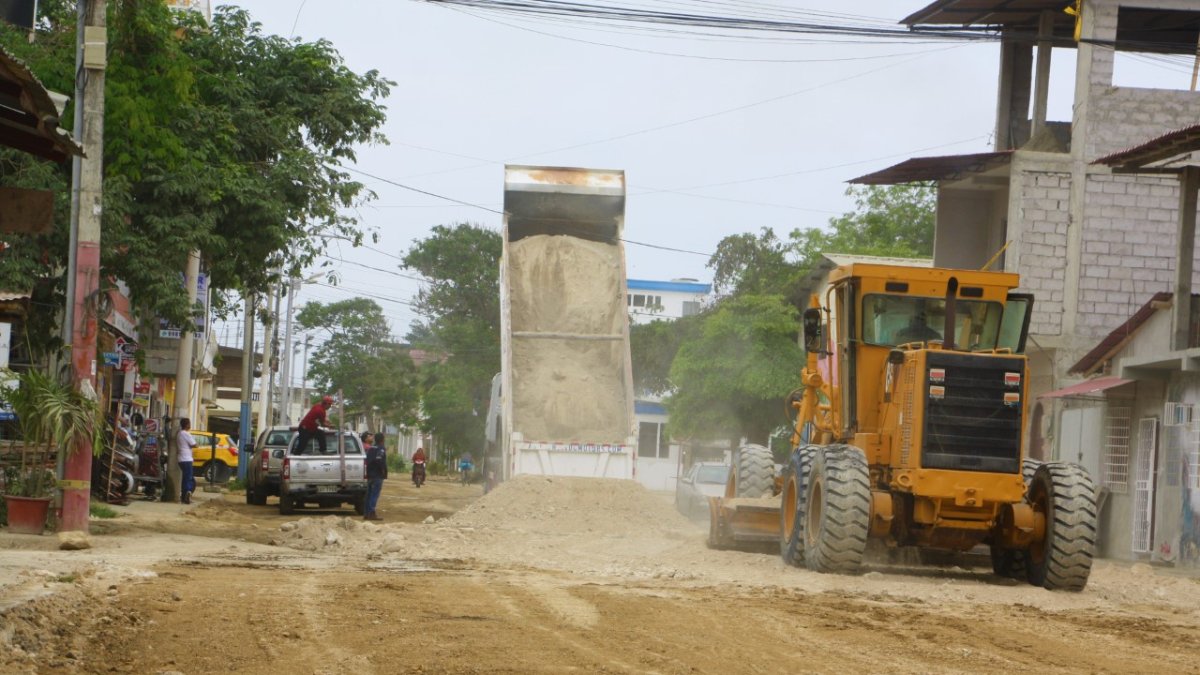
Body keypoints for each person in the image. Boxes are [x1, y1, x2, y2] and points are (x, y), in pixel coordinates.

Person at [364, 432, 387, 521]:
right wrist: (382, 470)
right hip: (377, 475)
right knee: (374, 495)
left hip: (370, 474)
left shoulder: (371, 448)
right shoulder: (381, 449)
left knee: (369, 494)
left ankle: (366, 513)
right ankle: (371, 513)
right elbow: (379, 459)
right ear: (382, 440)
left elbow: (367, 460)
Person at [177, 418, 197, 504]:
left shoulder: (179, 434)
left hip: (181, 459)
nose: (190, 425)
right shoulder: (186, 434)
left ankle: (184, 495)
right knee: (189, 479)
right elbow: (194, 444)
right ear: (187, 425)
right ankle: (187, 494)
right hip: (186, 459)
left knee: (187, 478)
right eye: (189, 424)